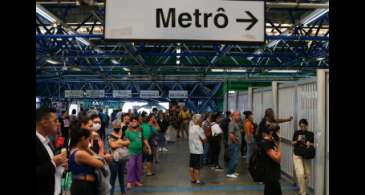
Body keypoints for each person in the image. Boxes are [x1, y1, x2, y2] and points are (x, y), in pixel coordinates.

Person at [36, 107, 68, 195]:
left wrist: (60, 165)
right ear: (44, 122)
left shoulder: (47, 140)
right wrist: (54, 163)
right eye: (55, 121)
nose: (58, 124)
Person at [69, 127, 105, 195]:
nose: (89, 142)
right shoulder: (80, 153)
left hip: (85, 185)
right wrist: (88, 149)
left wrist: (87, 149)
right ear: (82, 139)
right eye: (88, 139)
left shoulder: (76, 151)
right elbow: (100, 163)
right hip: (84, 187)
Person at [125, 116, 151, 190]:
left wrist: (148, 147)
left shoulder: (140, 130)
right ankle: (129, 182)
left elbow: (144, 139)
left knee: (138, 167)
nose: (133, 122)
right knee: (131, 167)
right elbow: (125, 141)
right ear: (130, 122)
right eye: (132, 121)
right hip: (131, 152)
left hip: (139, 152)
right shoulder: (128, 131)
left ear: (138, 122)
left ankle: (137, 181)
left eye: (135, 121)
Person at [292, 119, 314, 195]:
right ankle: (303, 192)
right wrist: (297, 140)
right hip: (297, 154)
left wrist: (310, 144)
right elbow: (293, 142)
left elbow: (314, 144)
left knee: (307, 173)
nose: (302, 128)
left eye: (304, 126)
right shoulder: (297, 133)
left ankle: (304, 190)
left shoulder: (311, 134)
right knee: (300, 173)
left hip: (306, 155)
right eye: (301, 126)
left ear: (307, 125)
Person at [108, 120, 130, 195]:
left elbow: (128, 142)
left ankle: (123, 192)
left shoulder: (122, 134)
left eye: (119, 126)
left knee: (121, 176)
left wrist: (118, 142)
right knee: (113, 177)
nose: (118, 128)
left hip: (122, 158)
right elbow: (112, 146)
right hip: (114, 159)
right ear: (113, 127)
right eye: (116, 127)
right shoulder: (110, 135)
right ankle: (111, 193)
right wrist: (121, 143)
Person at [259, 125, 282, 195]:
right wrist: (279, 148)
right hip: (269, 173)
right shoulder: (265, 143)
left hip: (273, 173)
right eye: (278, 132)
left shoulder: (272, 142)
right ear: (272, 133)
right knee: (272, 190)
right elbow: (277, 158)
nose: (279, 134)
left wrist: (277, 144)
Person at [189, 114, 207, 185]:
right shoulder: (199, 128)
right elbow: (205, 140)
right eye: (201, 119)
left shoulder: (191, 127)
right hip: (198, 150)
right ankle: (198, 180)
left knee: (192, 166)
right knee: (197, 167)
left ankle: (193, 179)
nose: (202, 120)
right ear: (199, 120)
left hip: (192, 149)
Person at [226, 112, 242, 178]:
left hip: (236, 144)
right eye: (238, 115)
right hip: (233, 144)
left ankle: (233, 171)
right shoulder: (232, 123)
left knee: (236, 158)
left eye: (239, 115)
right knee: (233, 158)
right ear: (233, 116)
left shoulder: (235, 123)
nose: (239, 116)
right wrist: (236, 141)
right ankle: (230, 172)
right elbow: (231, 134)